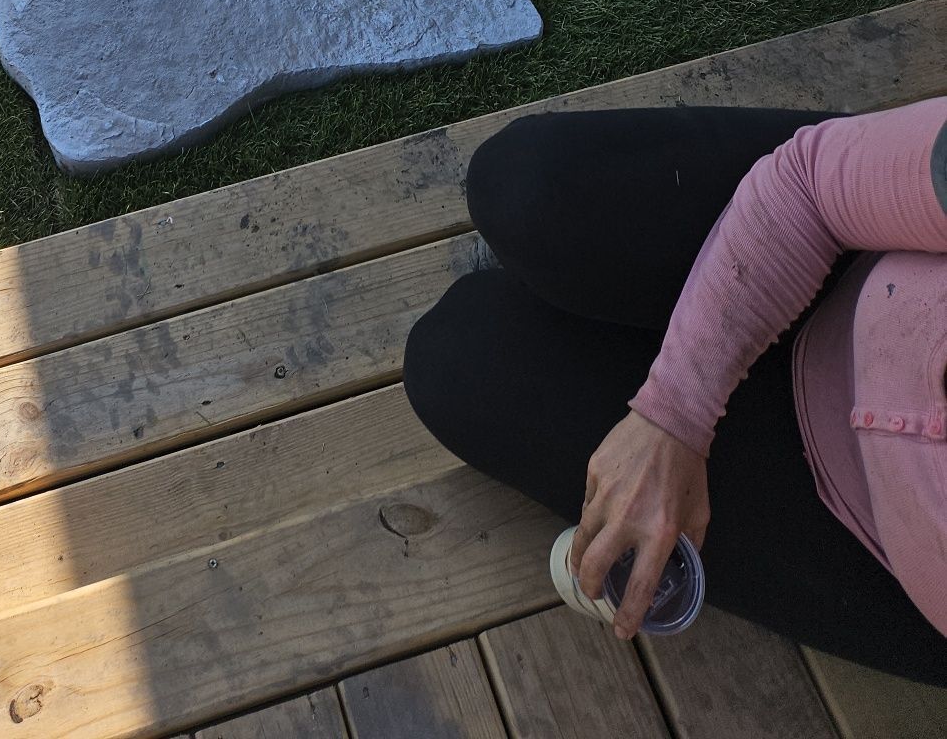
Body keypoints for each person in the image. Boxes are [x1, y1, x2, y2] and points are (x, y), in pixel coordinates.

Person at [402, 102, 947, 680]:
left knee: (456, 359)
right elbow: (809, 189)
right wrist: (675, 410)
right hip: (862, 252)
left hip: (863, 537)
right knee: (524, 183)